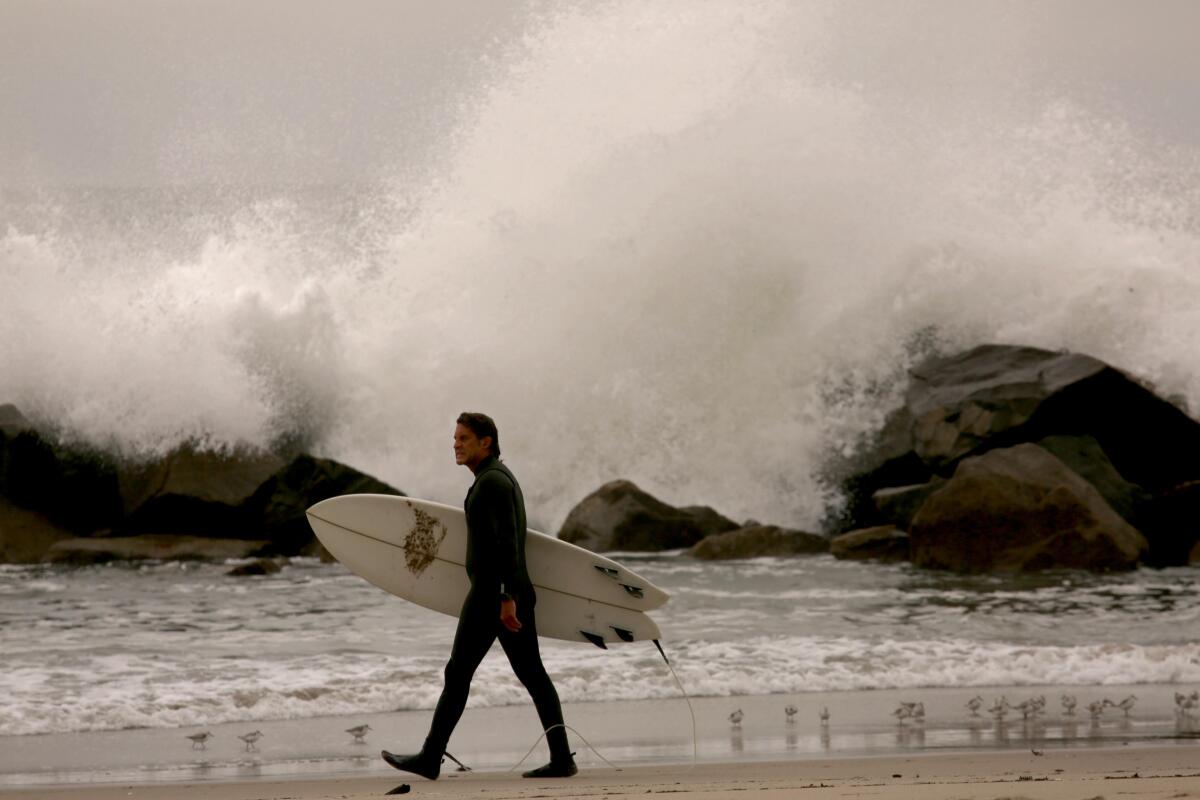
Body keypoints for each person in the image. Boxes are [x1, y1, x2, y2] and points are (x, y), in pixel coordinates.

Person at [381, 412, 576, 780]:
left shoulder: (492, 484)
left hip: (493, 597)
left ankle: (429, 757)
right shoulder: (496, 478)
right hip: (502, 593)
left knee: (461, 673)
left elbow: (507, 544)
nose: (456, 444)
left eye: (464, 438)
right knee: (528, 674)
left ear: (486, 442)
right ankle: (562, 758)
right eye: (454, 438)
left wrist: (504, 598)